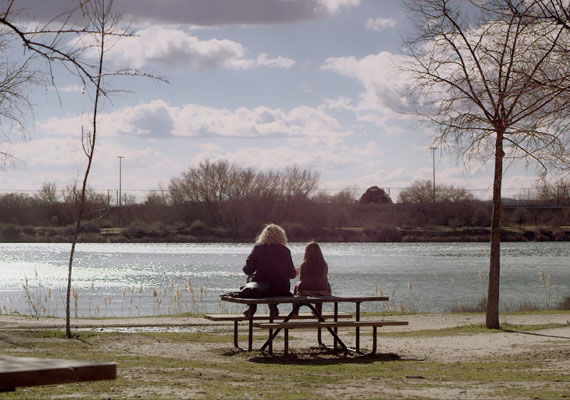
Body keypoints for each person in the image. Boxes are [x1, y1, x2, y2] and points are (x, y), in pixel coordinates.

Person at [242, 223, 296, 317]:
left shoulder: (258, 248)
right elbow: (292, 274)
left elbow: (248, 270)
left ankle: (252, 307)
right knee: (274, 280)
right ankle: (273, 307)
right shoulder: (285, 251)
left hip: (261, 289)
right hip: (281, 290)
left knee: (252, 280)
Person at [293, 241, 332, 314]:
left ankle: (295, 311)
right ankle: (318, 310)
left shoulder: (304, 264)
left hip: (306, 290)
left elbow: (301, 279)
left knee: (296, 285)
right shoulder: (323, 264)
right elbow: (323, 276)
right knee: (320, 284)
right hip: (323, 291)